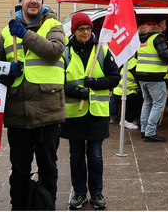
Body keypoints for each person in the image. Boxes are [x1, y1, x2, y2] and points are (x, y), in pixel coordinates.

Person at [0, 0, 66, 209]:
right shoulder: (7, 31)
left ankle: (47, 206)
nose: (33, 1)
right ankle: (18, 207)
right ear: (21, 2)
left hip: (48, 112)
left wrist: (25, 34)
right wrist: (6, 73)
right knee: (19, 171)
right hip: (18, 113)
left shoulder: (54, 25)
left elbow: (53, 52)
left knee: (48, 168)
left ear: (42, 2)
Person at [62, 12, 120, 210]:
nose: (86, 32)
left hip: (97, 113)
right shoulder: (66, 52)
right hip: (73, 114)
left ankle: (96, 193)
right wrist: (77, 91)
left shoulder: (102, 51)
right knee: (76, 156)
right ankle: (79, 193)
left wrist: (95, 83)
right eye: (81, 29)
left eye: (88, 28)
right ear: (74, 31)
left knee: (95, 156)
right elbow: (59, 81)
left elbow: (115, 77)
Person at [135, 20, 168, 141]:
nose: (165, 25)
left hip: (141, 74)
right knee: (158, 104)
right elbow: (165, 56)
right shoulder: (159, 37)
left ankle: (144, 129)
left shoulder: (141, 39)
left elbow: (139, 56)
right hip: (155, 76)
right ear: (157, 27)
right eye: (163, 24)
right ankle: (150, 132)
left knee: (147, 102)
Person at [110, 55, 141, 129]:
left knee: (134, 103)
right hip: (125, 93)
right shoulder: (135, 64)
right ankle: (126, 120)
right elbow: (139, 82)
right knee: (144, 104)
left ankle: (128, 120)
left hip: (118, 93)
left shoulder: (127, 63)